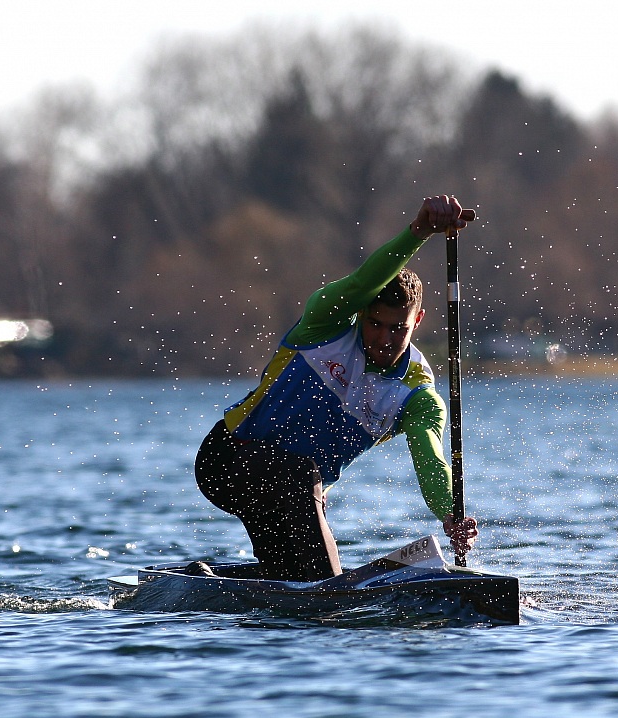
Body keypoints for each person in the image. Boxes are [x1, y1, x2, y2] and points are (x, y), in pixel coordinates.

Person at [193, 195, 478, 580]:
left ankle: (209, 578)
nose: (384, 338)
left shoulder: (417, 396)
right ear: (362, 312)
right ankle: (330, 590)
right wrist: (419, 232)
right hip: (227, 460)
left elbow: (431, 461)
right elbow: (363, 281)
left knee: (297, 577)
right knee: (303, 484)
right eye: (376, 323)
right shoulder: (324, 326)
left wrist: (449, 514)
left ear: (419, 321)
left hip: (294, 492)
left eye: (399, 329)